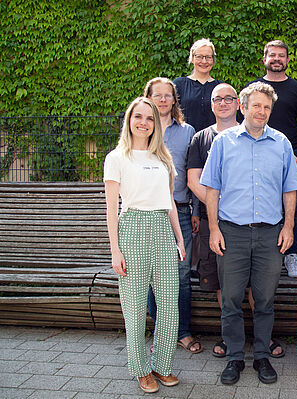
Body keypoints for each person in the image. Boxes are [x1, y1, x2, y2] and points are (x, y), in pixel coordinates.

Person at [200, 82, 297, 385]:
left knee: (265, 299)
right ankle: (234, 358)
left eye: (267, 107)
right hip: (232, 233)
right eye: (256, 106)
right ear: (243, 107)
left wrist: (288, 227)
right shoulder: (223, 142)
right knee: (231, 299)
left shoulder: (281, 142)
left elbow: (290, 189)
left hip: (271, 235)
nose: (262, 111)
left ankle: (261, 356)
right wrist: (214, 228)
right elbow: (212, 188)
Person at [104, 97, 184, 393]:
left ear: (155, 124)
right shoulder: (117, 157)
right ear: (129, 120)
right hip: (133, 227)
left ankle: (162, 365)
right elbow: (112, 209)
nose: (144, 123)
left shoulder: (163, 157)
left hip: (162, 228)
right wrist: (115, 250)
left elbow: (170, 203)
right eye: (138, 117)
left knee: (168, 305)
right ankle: (140, 369)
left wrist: (179, 238)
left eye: (149, 118)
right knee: (135, 306)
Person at [245, 39, 297, 279]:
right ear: (264, 59)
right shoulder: (253, 88)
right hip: (255, 157)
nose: (276, 59)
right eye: (272, 55)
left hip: (288, 158)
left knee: (290, 205)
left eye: (281, 55)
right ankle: (261, 251)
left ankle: (291, 253)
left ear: (286, 59)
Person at [143, 77, 200, 354]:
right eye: (158, 95)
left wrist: (196, 211)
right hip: (148, 211)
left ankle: (183, 332)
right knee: (153, 275)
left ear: (174, 99)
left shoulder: (187, 131)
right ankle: (160, 333)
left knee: (180, 273)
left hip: (180, 209)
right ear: (149, 98)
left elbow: (195, 175)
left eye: (168, 95)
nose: (163, 100)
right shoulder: (141, 129)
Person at [187, 83, 240, 358]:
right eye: (217, 99)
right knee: (220, 279)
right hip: (213, 219)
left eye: (228, 98)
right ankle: (230, 336)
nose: (223, 103)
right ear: (211, 105)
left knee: (251, 280)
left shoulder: (249, 134)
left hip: (245, 220)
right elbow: (193, 180)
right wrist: (215, 204)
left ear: (238, 104)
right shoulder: (200, 138)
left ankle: (257, 336)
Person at [174, 38, 224, 132]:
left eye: (208, 57)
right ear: (192, 59)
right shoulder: (179, 85)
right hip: (186, 140)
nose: (204, 61)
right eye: (199, 57)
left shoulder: (220, 87)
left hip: (214, 139)